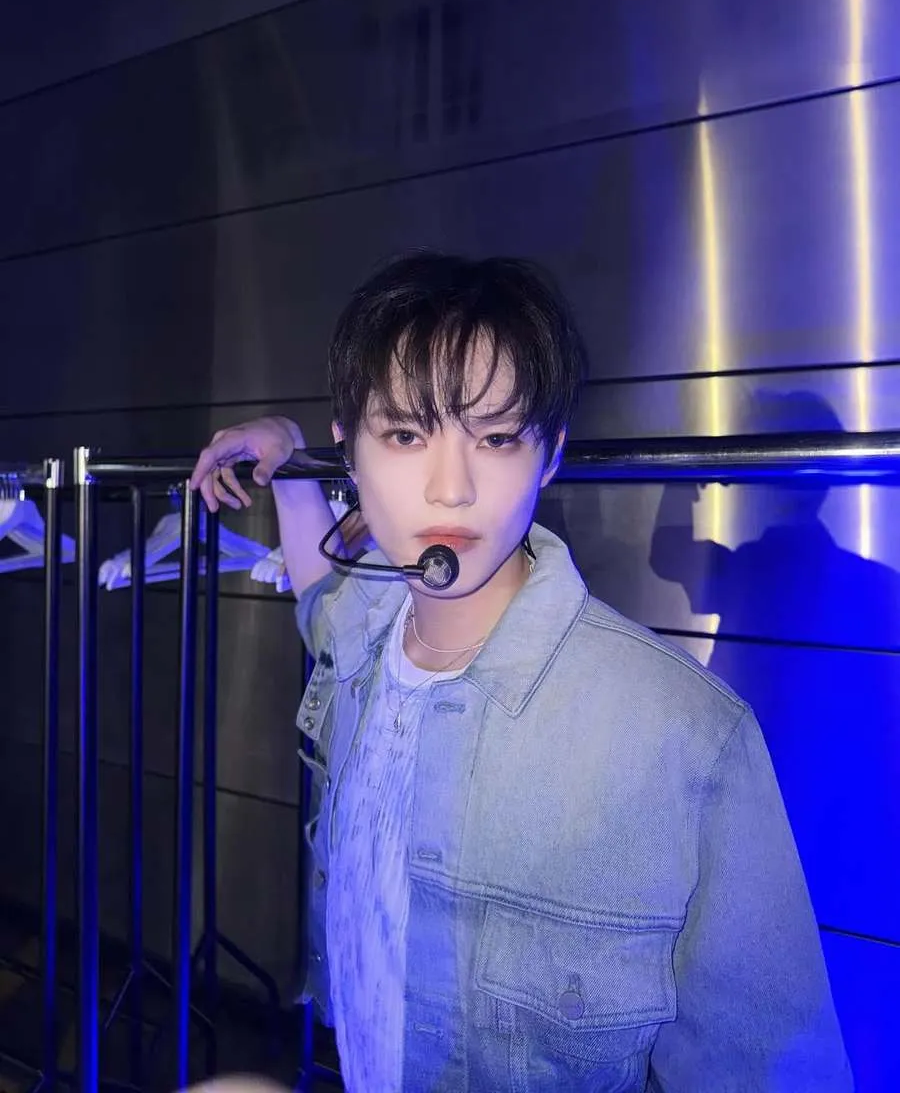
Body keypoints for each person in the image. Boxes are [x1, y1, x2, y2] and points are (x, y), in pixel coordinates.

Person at [190, 252, 852, 1092]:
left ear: (550, 455)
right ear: (349, 451)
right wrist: (286, 458)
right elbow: (324, 597)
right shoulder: (369, 634)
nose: (452, 488)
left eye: (497, 437)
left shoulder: (681, 736)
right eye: (405, 435)